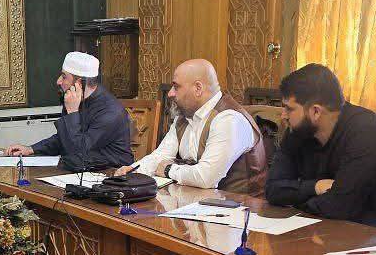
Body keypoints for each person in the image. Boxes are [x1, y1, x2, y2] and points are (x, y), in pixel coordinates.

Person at [265, 64, 376, 236]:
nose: (283, 115)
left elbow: (338, 206)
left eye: (289, 108)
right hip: (329, 232)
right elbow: (272, 190)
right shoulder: (298, 130)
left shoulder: (367, 131)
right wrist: (315, 187)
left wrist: (296, 198)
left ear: (316, 111)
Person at [113, 59, 267, 193]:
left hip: (240, 210)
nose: (170, 93)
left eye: (176, 87)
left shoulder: (229, 119)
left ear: (198, 88)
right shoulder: (185, 116)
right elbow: (161, 156)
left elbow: (206, 178)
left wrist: (168, 169)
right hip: (200, 204)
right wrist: (133, 171)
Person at [6, 52, 133, 172]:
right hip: (81, 169)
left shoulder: (110, 112)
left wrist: (72, 112)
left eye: (64, 77)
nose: (58, 81)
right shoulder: (75, 99)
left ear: (79, 83)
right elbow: (65, 138)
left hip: (112, 174)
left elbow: (77, 150)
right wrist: (31, 149)